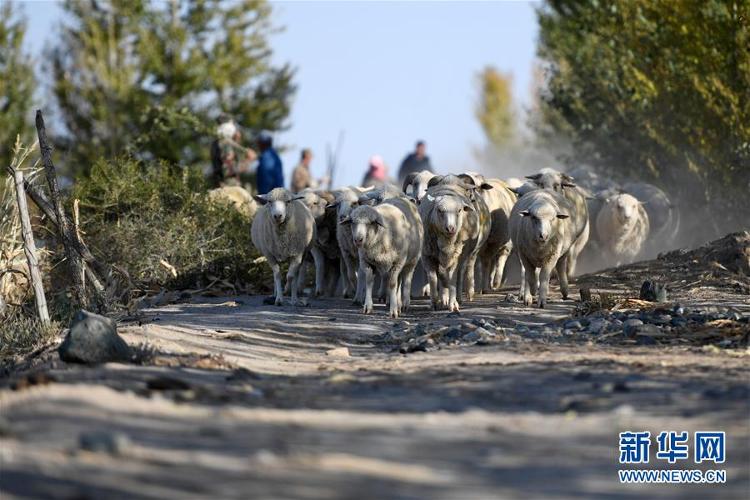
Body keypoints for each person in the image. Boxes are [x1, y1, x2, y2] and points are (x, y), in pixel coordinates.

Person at [210, 114, 256, 187]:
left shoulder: (216, 143)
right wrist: (248, 160)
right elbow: (228, 170)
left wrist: (235, 142)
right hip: (229, 189)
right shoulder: (225, 143)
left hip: (220, 187)